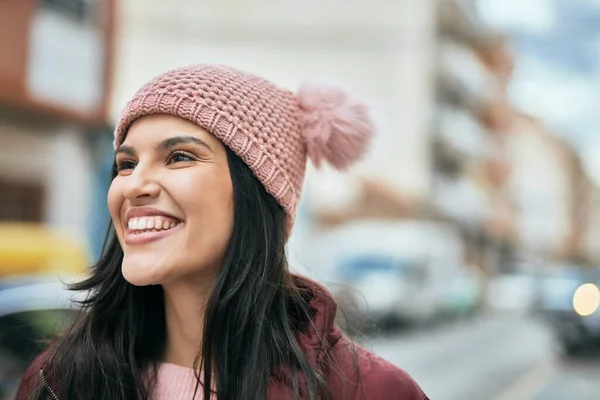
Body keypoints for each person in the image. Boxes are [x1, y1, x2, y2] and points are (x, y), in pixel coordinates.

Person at [17, 65, 429, 400]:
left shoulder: (372, 392)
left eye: (178, 157)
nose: (134, 185)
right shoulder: (55, 379)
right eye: (126, 164)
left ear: (258, 195)